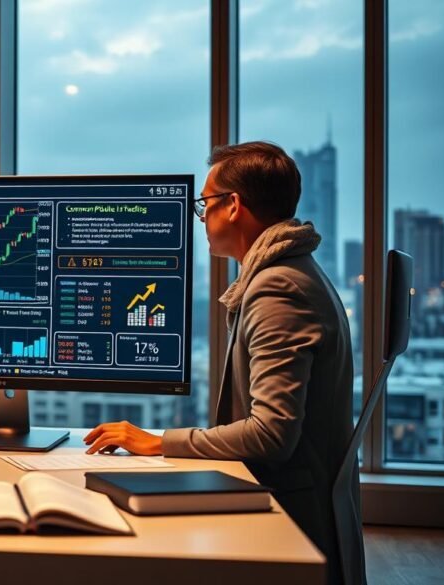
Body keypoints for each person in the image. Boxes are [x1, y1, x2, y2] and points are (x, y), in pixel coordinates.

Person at [84, 141, 365, 585]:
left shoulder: (278, 289)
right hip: (289, 509)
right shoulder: (291, 270)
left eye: (206, 204)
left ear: (233, 206)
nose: (201, 217)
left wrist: (157, 441)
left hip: (286, 524)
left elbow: (271, 434)